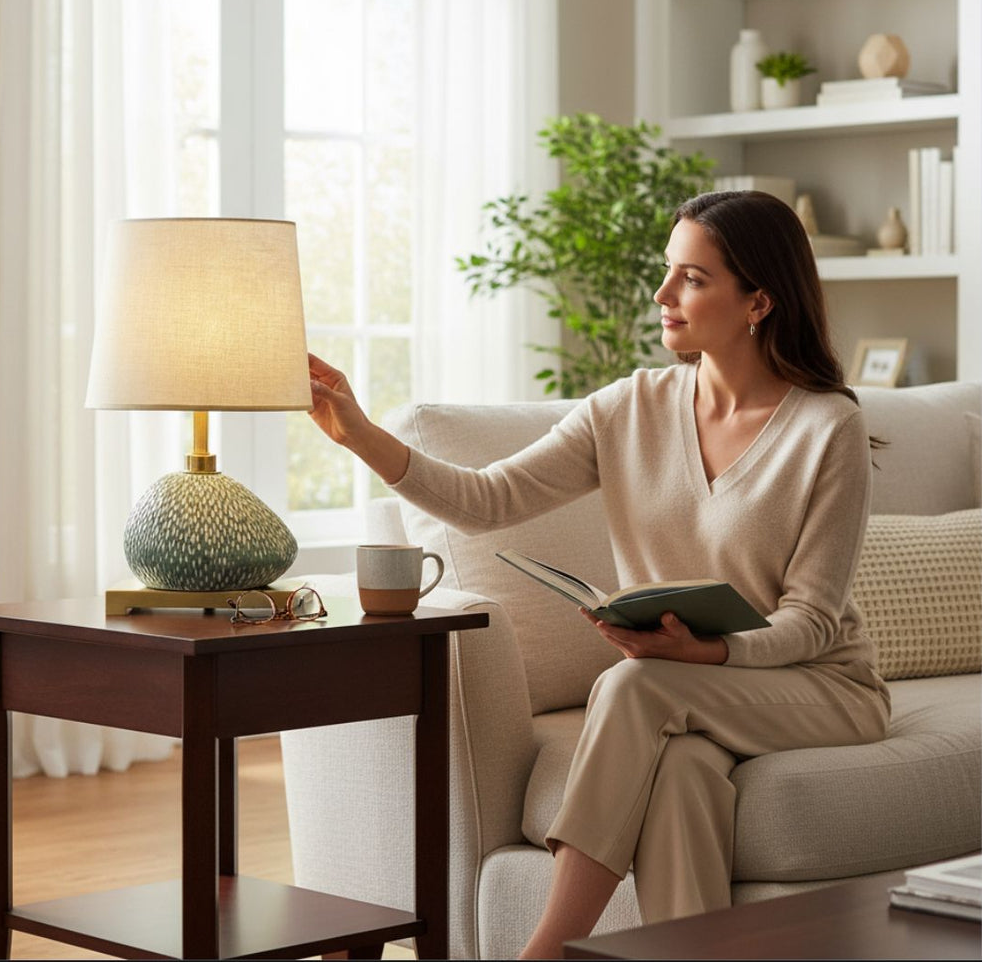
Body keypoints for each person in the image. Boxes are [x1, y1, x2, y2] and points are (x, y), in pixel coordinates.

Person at [306, 190, 890, 959]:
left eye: (692, 278)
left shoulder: (828, 427)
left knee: (631, 686)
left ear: (759, 301)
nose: (662, 296)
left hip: (820, 688)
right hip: (690, 695)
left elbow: (811, 621)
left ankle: (548, 949)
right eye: (667, 272)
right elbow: (489, 500)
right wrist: (361, 436)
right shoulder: (629, 408)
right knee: (680, 776)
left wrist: (704, 653)